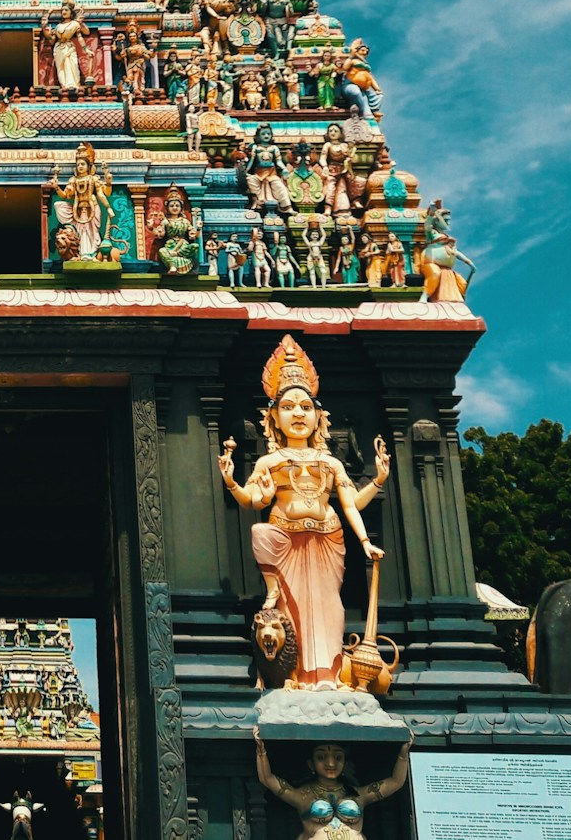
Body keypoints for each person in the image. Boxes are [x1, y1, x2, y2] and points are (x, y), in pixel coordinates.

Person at [219, 336, 390, 689]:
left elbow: (350, 505)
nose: (298, 413)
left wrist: (367, 528)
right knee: (288, 606)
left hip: (328, 538)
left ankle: (328, 675)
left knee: (330, 608)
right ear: (273, 418)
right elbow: (254, 500)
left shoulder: (329, 462)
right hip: (286, 540)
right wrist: (232, 482)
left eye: (306, 407)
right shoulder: (271, 461)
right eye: (288, 407)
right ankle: (292, 674)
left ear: (318, 417)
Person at [254, 736, 410, 838]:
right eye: (321, 757)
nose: (330, 763)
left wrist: (403, 754)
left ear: (345, 763)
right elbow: (267, 779)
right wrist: (261, 752)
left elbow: (395, 782)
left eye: (338, 757)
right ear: (311, 764)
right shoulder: (303, 795)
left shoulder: (357, 794)